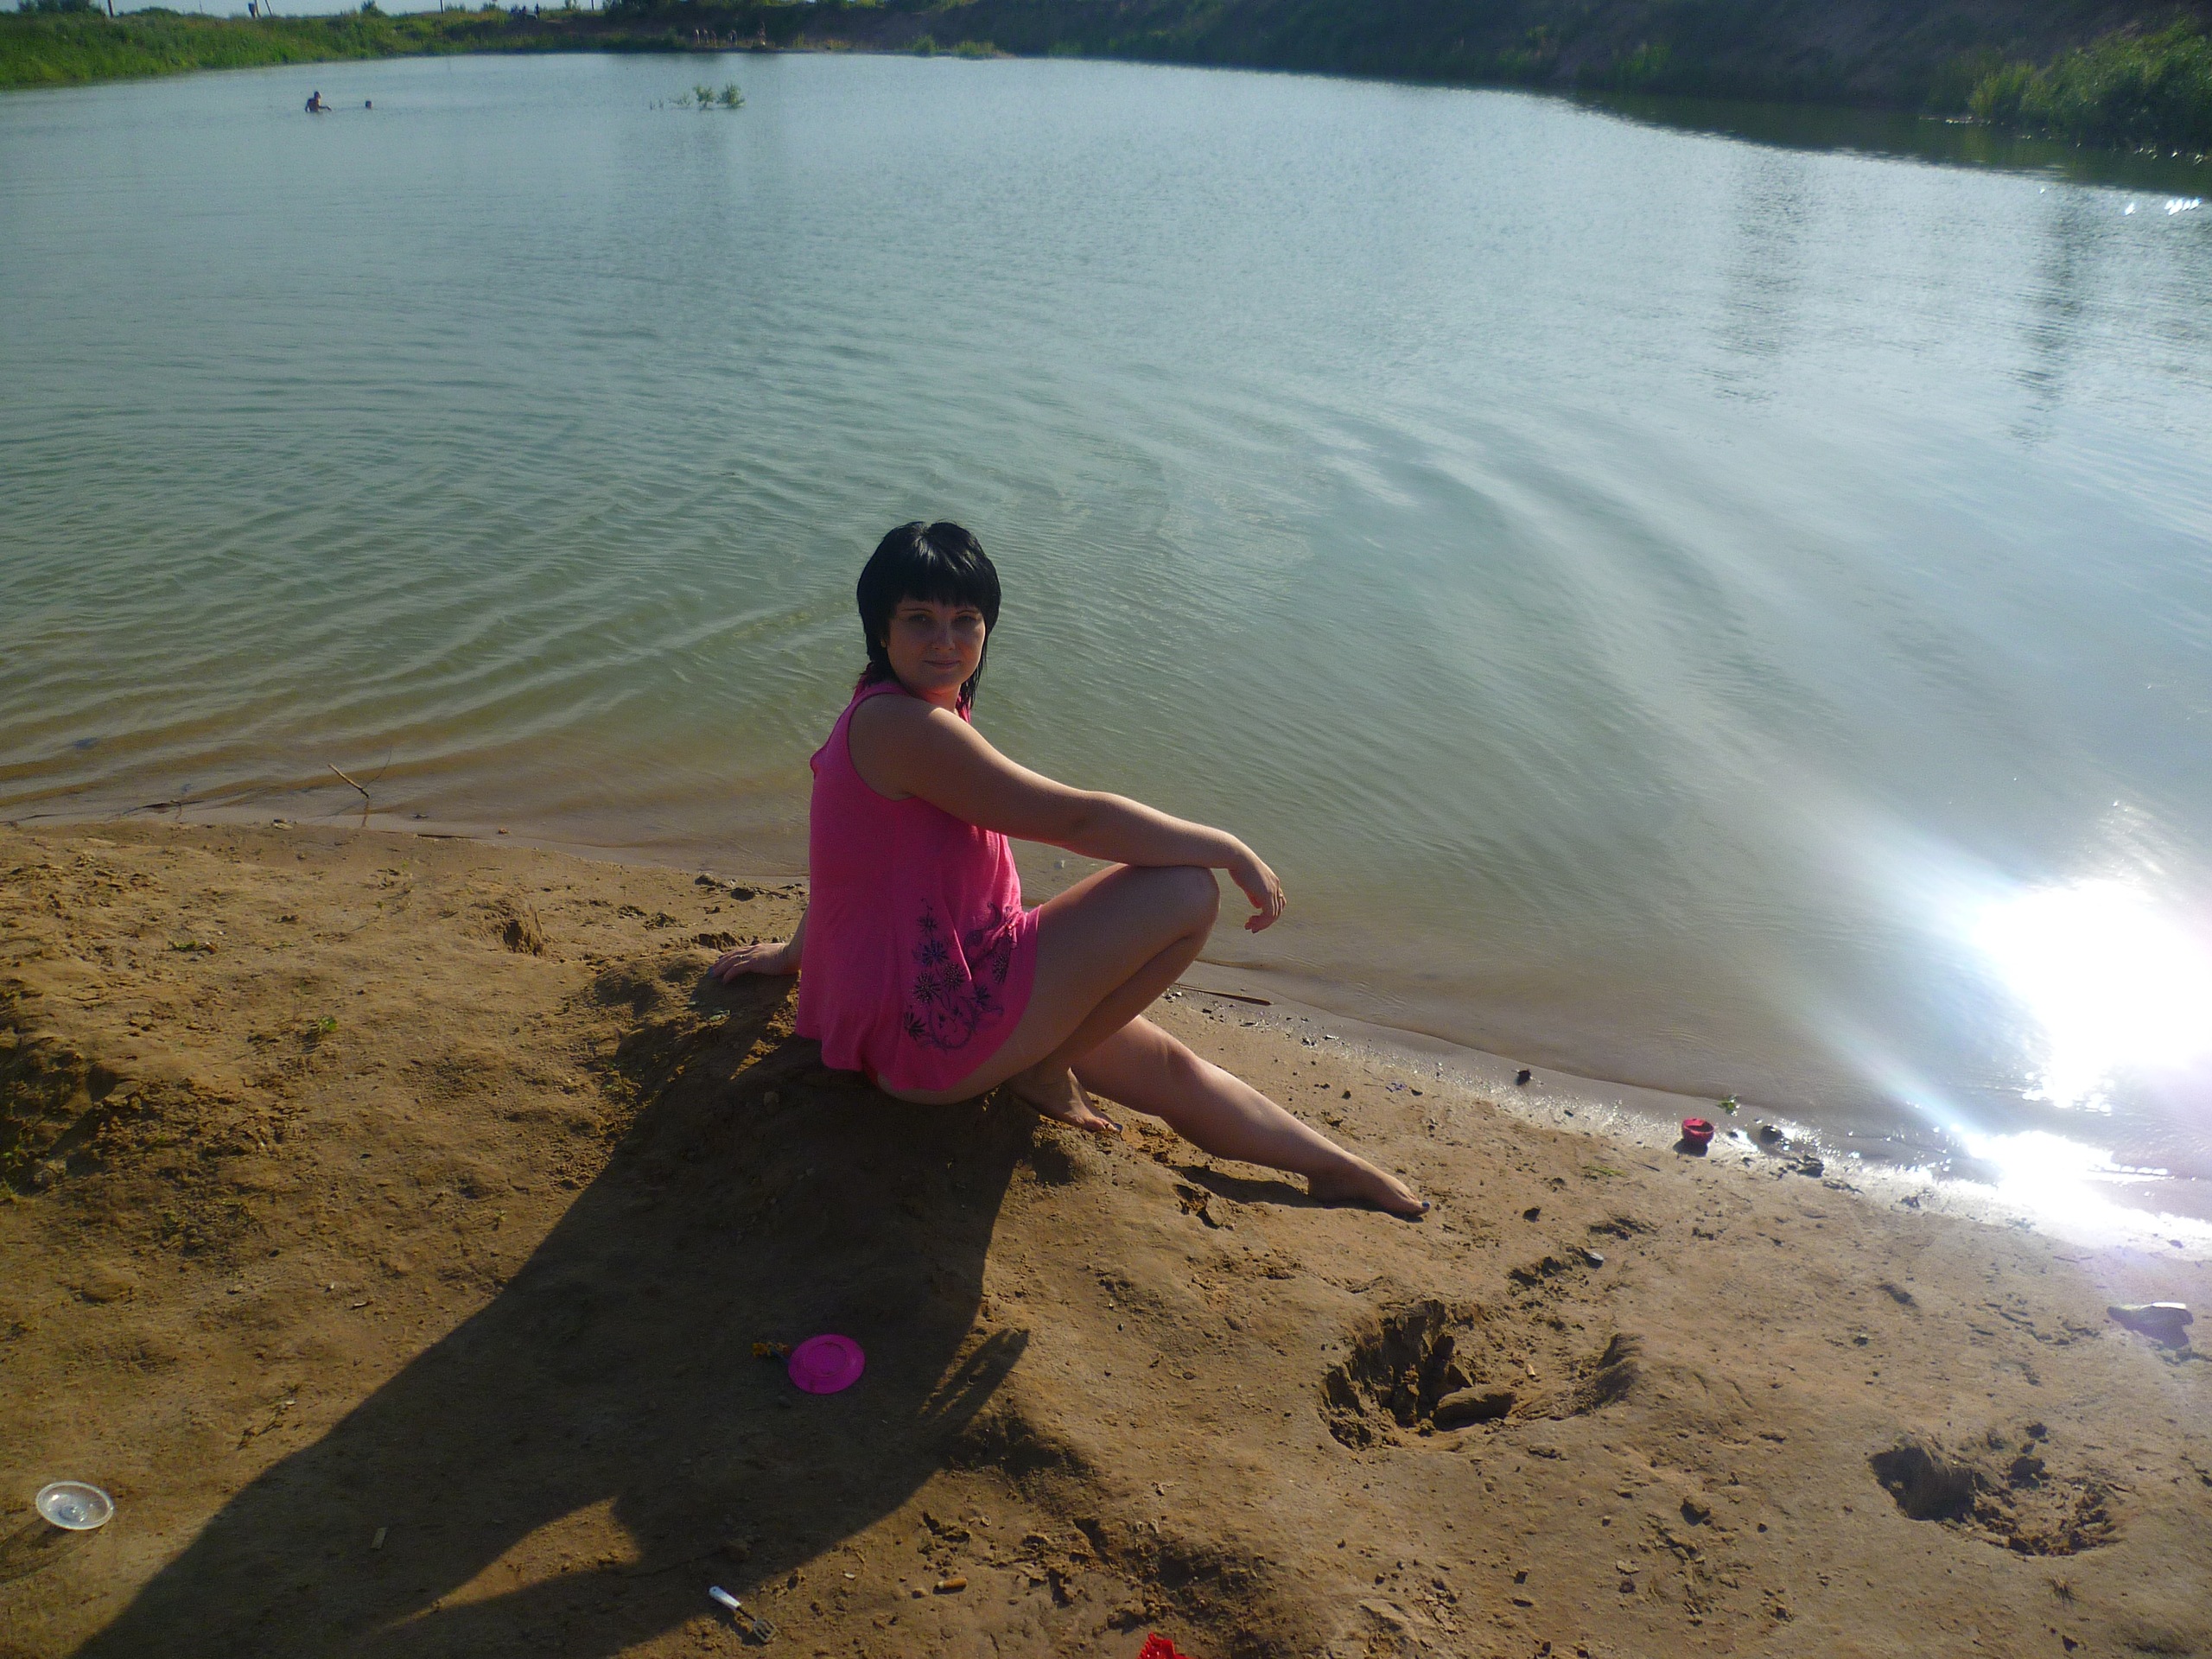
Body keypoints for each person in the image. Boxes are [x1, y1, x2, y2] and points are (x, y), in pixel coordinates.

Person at [712, 522, 1426, 1217]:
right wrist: (1230, 847)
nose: (945, 641)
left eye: (965, 621)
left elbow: (849, 870)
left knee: (1170, 1070)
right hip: (937, 1033)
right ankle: (1043, 1066)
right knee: (1187, 888)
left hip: (941, 998)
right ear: (881, 629)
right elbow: (1076, 821)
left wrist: (795, 955)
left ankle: (1335, 1169)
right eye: (920, 619)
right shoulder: (906, 728)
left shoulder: (892, 711)